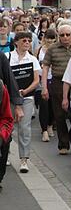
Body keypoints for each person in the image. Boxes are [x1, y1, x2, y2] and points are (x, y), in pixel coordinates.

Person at [42, 23, 71, 154]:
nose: (65, 37)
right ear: (58, 36)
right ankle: (63, 144)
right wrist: (44, 87)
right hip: (58, 83)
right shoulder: (52, 49)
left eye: (68, 34)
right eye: (62, 35)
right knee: (59, 115)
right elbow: (45, 67)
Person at [8, 31, 40, 173]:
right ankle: (6, 152)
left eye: (28, 40)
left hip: (26, 97)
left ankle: (24, 159)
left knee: (24, 128)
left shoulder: (32, 59)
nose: (27, 43)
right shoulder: (8, 57)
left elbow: (36, 80)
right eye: (24, 40)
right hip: (10, 97)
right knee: (8, 127)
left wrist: (26, 91)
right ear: (16, 42)